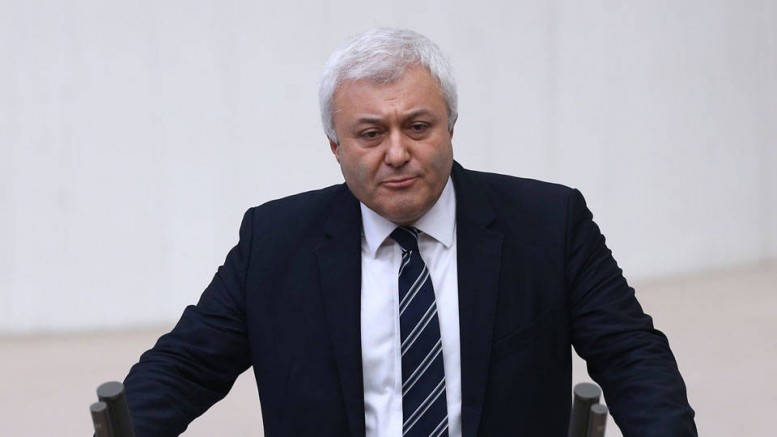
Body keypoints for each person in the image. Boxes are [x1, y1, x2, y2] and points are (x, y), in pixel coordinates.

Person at [123, 28, 697, 436]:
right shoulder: (274, 242)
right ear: (335, 147)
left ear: (451, 128)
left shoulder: (549, 224)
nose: (397, 153)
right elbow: (185, 368)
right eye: (371, 134)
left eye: (418, 126)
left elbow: (631, 356)